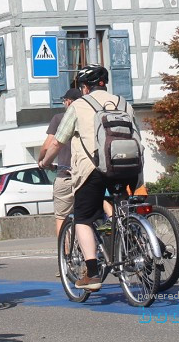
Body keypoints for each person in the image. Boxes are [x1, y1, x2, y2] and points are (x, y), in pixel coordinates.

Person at [38, 64, 138, 291]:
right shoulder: (124, 103)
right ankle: (136, 243)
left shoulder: (79, 106)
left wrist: (45, 162)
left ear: (84, 88)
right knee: (121, 210)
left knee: (82, 217)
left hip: (93, 170)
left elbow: (58, 141)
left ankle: (92, 273)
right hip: (127, 167)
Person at [40, 87, 82, 247]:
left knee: (61, 218)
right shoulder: (87, 116)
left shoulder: (59, 118)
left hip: (65, 175)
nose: (64, 103)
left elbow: (48, 145)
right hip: (85, 175)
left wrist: (42, 161)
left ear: (69, 101)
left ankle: (64, 260)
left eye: (64, 100)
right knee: (85, 217)